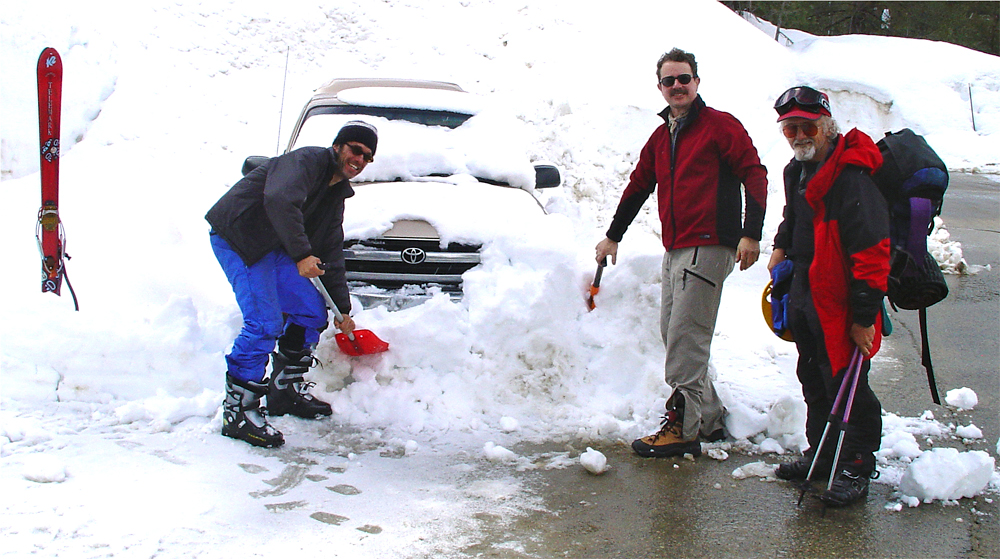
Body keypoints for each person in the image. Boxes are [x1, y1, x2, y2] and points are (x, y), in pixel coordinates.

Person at [596, 48, 767, 459]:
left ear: (697, 82)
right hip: (676, 249)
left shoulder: (720, 126)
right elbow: (639, 186)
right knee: (673, 335)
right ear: (660, 87)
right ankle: (707, 418)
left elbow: (754, 173)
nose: (677, 86)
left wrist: (751, 233)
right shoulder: (661, 136)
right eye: (669, 81)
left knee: (686, 341)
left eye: (684, 79)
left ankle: (683, 428)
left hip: (709, 244)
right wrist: (612, 236)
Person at [205, 120, 378, 448]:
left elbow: (331, 251)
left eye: (368, 157)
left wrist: (342, 309)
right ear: (339, 145)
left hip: (274, 247)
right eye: (356, 150)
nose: (360, 160)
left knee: (312, 312)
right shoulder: (306, 161)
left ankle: (283, 392)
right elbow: (280, 199)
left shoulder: (334, 195)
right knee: (264, 324)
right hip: (241, 237)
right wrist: (301, 254)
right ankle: (238, 412)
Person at [767, 86, 889, 506]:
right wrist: (781, 246)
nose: (799, 135)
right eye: (790, 128)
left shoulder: (852, 176)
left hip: (840, 296)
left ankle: (855, 463)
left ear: (827, 126)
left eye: (808, 127)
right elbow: (793, 216)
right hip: (804, 287)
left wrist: (864, 316)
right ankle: (821, 453)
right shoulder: (796, 171)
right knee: (814, 375)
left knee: (848, 383)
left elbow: (873, 252)